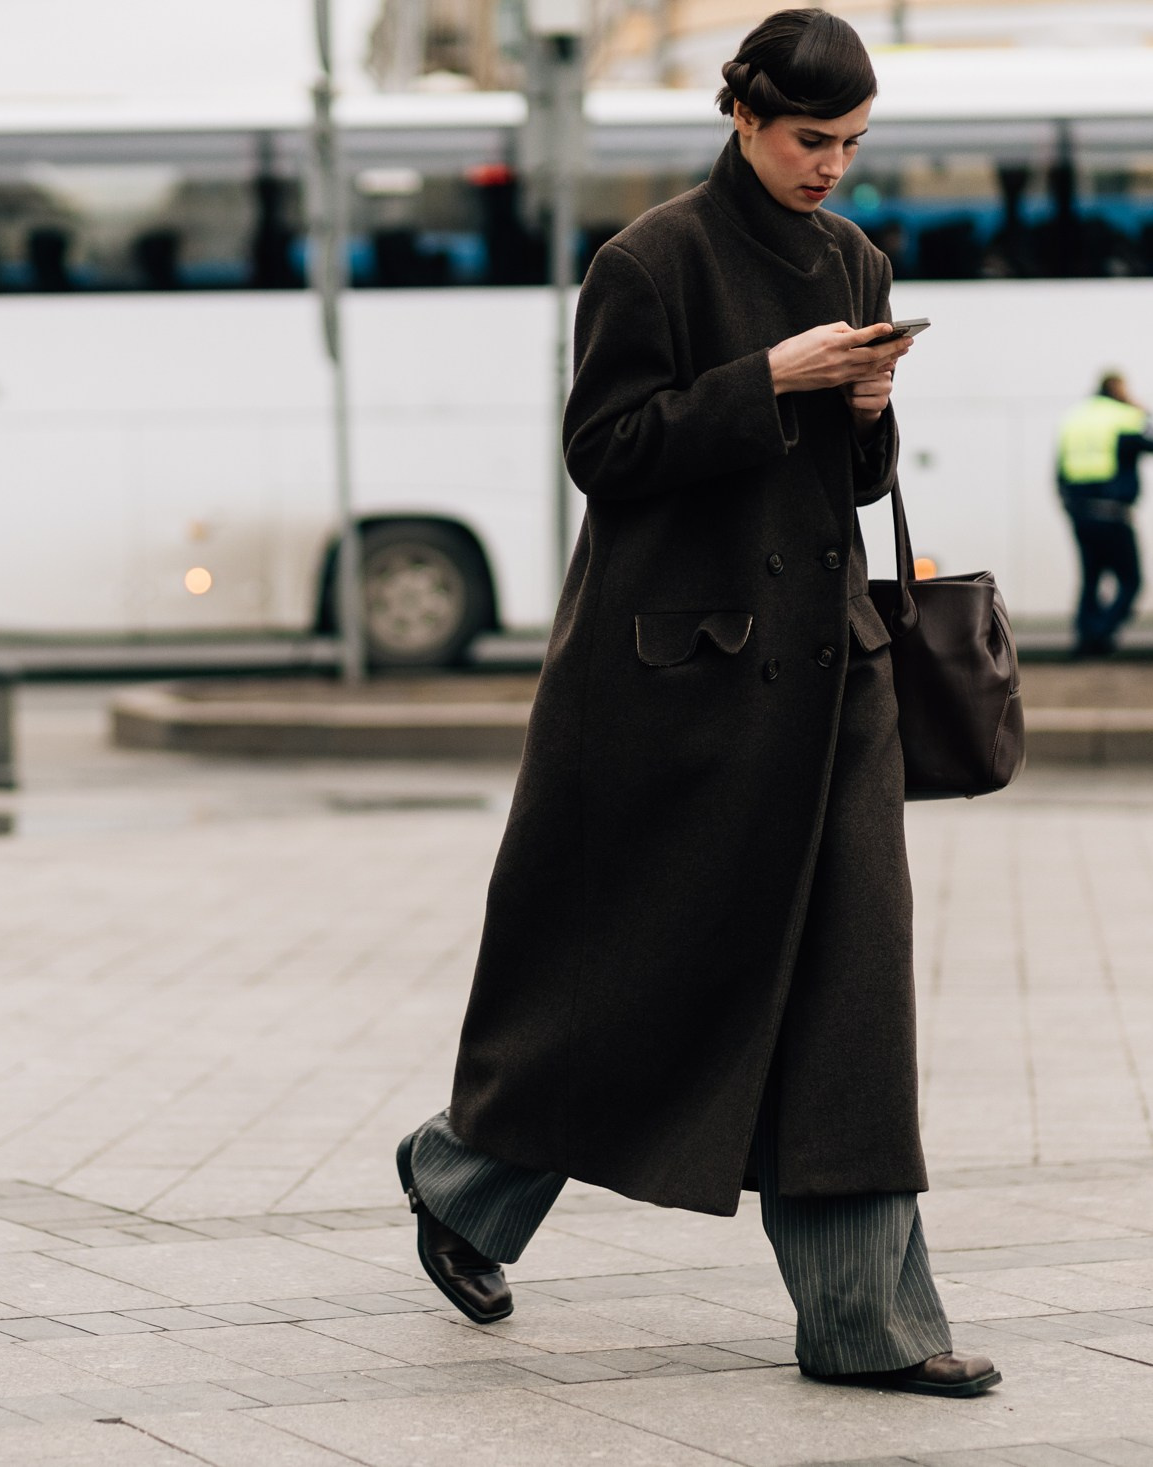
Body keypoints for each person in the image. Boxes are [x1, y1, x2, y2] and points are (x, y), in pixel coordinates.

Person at [394, 8, 999, 1401]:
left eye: (851, 145)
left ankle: (864, 1317)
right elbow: (603, 451)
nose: (831, 168)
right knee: (642, 980)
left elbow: (850, 485)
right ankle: (466, 1175)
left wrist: (861, 411)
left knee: (849, 1006)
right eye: (810, 141)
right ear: (744, 117)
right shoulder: (648, 259)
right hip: (682, 688)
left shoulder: (854, 258)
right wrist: (767, 380)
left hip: (833, 683)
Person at [1056, 373, 1153, 657]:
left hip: (1081, 513)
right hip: (1114, 512)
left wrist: (1069, 507)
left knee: (1091, 579)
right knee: (1131, 581)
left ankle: (1085, 638)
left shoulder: (1075, 418)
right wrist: (1144, 411)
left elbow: (1058, 470)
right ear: (1118, 389)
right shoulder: (1125, 417)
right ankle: (1100, 633)